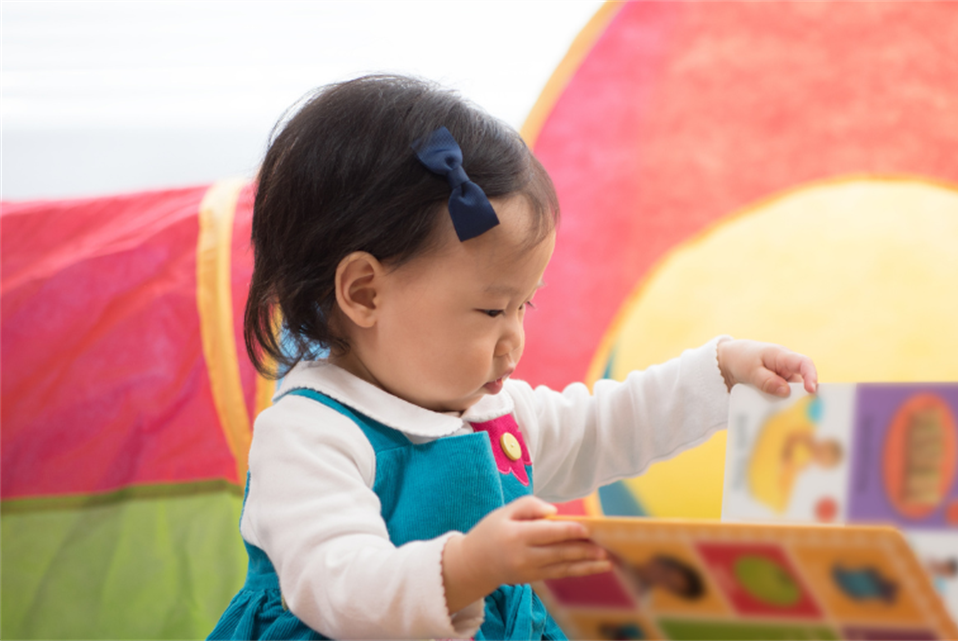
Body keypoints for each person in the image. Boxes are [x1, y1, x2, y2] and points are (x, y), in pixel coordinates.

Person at [208, 74, 818, 641]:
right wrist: (468, 566)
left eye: (526, 306)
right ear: (365, 292)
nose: (515, 340)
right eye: (492, 311)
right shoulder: (310, 434)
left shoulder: (489, 413)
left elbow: (604, 427)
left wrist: (722, 374)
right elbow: (342, 588)